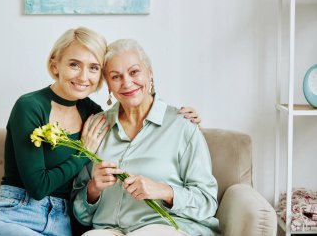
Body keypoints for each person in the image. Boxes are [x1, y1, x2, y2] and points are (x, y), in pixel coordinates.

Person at [0, 27, 201, 236]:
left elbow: (133, 112)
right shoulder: (30, 106)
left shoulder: (93, 114)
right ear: (55, 65)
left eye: (93, 68)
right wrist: (83, 152)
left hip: (61, 221)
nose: (83, 76)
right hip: (16, 212)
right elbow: (38, 187)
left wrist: (181, 118)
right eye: (74, 64)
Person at [73, 39, 220, 236]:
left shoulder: (182, 125)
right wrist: (93, 188)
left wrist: (163, 190)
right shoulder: (96, 128)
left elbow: (207, 202)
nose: (127, 82)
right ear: (108, 83)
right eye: (116, 76)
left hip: (169, 227)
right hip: (108, 229)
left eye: (134, 72)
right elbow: (80, 213)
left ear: (150, 72)